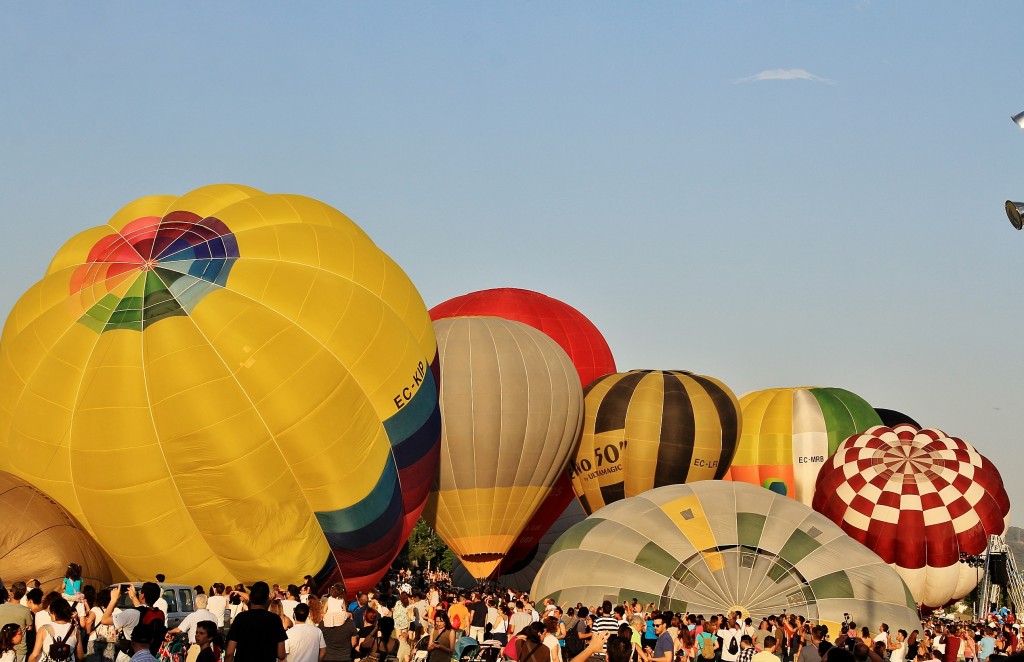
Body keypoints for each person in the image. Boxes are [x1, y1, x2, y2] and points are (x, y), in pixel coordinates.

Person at [226, 581, 287, 662]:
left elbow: (229, 652)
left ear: (250, 597)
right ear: (266, 599)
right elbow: (281, 654)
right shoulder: (275, 619)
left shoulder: (241, 618)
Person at [28, 596, 83, 662]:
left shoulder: (43, 629)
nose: (50, 615)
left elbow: (35, 655)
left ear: (54, 613)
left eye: (50, 613)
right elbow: (80, 656)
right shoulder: (75, 630)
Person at [169, 594, 219, 662]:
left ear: (196, 604)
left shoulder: (192, 616)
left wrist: (169, 632)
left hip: (196, 648)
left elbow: (179, 630)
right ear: (206, 603)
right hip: (210, 647)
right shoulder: (213, 617)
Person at [0, 584, 32, 662]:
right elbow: (30, 627)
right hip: (19, 649)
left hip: (2, 647)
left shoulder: (0, 607)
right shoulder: (26, 610)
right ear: (23, 594)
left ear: (11, 593)